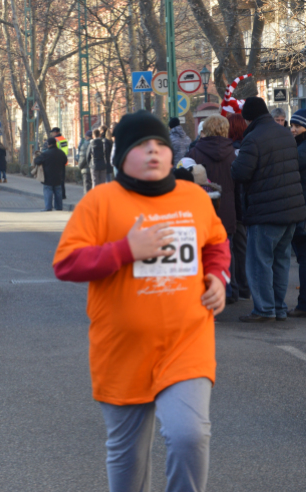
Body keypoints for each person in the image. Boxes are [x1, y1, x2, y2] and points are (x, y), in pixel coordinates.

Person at [54, 110, 230, 492]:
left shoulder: (194, 198)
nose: (153, 152)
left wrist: (218, 276)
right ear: (120, 157)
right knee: (128, 455)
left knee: (189, 436)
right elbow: (66, 264)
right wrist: (125, 249)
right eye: (141, 146)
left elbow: (216, 243)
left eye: (160, 146)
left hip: (187, 343)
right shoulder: (100, 202)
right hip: (123, 350)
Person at [232, 97, 306, 322]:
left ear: (248, 118)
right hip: (291, 210)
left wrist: (233, 164)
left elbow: (240, 173)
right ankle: (279, 307)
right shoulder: (285, 133)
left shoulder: (252, 138)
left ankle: (264, 309)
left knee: (259, 261)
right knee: (281, 261)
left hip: (266, 210)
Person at [186, 115, 238, 304]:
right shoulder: (234, 153)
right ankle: (229, 289)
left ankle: (210, 291)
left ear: (204, 130)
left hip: (202, 210)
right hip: (227, 208)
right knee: (227, 250)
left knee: (204, 252)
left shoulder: (193, 153)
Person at [227, 112, 250, 301]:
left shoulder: (229, 150)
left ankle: (233, 286)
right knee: (242, 247)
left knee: (230, 247)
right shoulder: (247, 147)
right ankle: (244, 286)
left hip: (229, 205)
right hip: (245, 205)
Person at [289, 108, 306, 317]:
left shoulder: (301, 151)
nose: (293, 130)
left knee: (303, 258)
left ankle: (303, 305)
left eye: (297, 126)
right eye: (292, 125)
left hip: (302, 211)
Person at [34, 137, 68, 211]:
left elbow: (37, 161)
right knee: (58, 192)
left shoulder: (46, 154)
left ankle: (48, 207)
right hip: (58, 176)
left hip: (47, 177)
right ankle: (59, 207)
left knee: (48, 192)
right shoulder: (61, 153)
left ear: (49, 144)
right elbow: (65, 161)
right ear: (55, 144)